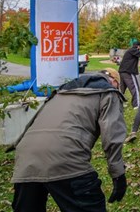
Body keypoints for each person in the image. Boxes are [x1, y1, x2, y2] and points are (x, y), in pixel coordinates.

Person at [11, 68, 127, 211]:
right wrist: (118, 175)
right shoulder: (108, 92)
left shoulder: (61, 92)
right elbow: (112, 136)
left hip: (25, 161)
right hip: (66, 159)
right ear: (114, 81)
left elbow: (32, 123)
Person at [118, 41, 140, 109]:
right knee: (135, 88)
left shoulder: (130, 51)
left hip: (122, 72)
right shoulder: (133, 50)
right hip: (128, 72)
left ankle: (118, 103)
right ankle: (136, 105)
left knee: (122, 88)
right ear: (138, 46)